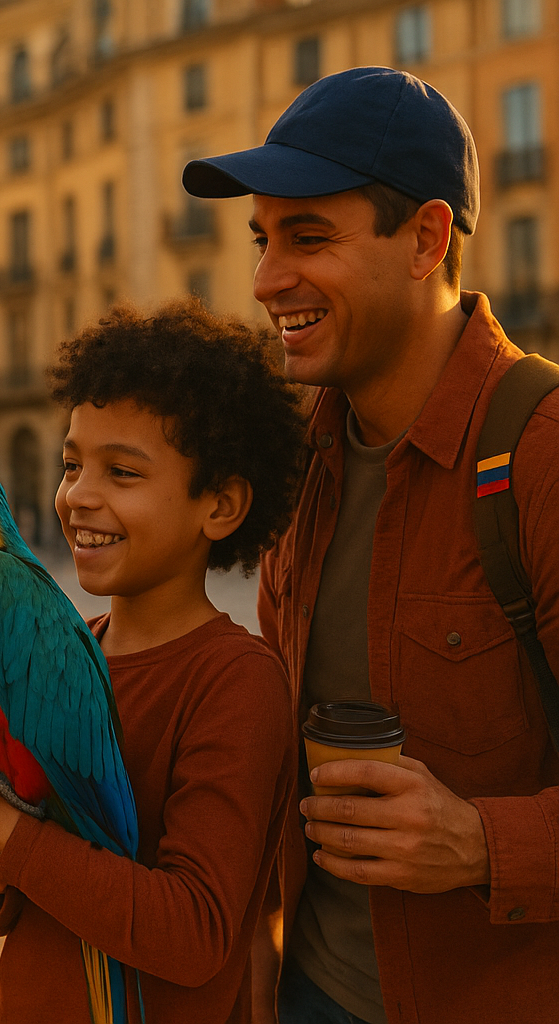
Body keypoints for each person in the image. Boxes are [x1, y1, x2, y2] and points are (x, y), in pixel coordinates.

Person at [183, 66, 559, 1023]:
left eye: (309, 237)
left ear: (428, 239)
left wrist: (481, 842)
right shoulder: (300, 461)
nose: (266, 280)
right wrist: (259, 953)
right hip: (313, 987)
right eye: (262, 240)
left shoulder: (543, 451)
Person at [0, 299, 308, 1022]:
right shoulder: (63, 643)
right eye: (72, 464)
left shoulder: (236, 680)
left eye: (123, 472)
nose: (79, 496)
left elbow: (194, 934)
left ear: (221, 505)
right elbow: (29, 899)